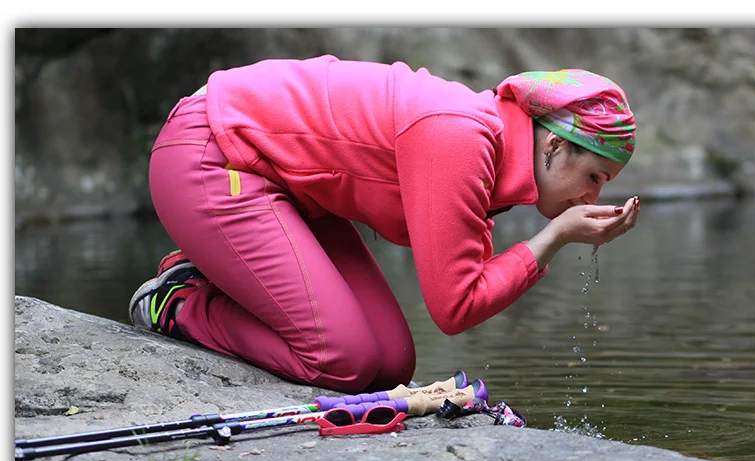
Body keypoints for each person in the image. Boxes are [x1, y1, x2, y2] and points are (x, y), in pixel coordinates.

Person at [129, 56, 639, 394]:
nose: (592, 196)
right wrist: (552, 238)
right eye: (594, 176)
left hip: (293, 193)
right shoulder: (459, 137)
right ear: (552, 147)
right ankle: (181, 303)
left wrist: (550, 237)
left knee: (391, 366)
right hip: (214, 156)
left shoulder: (491, 152)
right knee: (340, 360)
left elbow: (473, 282)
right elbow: (456, 306)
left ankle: (223, 274)